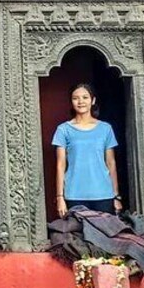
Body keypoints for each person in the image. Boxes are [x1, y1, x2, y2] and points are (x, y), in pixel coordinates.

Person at [52, 83, 121, 217]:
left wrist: (116, 196)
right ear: (71, 102)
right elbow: (60, 165)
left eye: (85, 97)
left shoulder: (105, 128)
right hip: (74, 194)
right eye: (76, 98)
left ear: (93, 100)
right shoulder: (63, 130)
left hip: (103, 194)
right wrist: (60, 197)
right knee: (78, 236)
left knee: (104, 236)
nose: (81, 101)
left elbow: (111, 163)